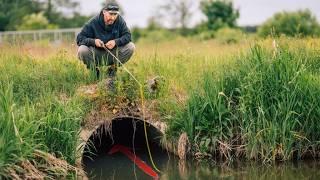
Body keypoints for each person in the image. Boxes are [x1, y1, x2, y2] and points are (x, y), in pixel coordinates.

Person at [76, 2, 135, 90]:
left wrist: (116, 42)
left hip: (112, 53)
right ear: (104, 12)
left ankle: (112, 70)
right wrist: (93, 41)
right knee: (82, 50)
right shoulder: (93, 22)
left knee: (131, 47)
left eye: (115, 14)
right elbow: (79, 38)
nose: (113, 17)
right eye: (111, 14)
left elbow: (128, 36)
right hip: (97, 54)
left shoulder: (120, 21)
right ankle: (95, 72)